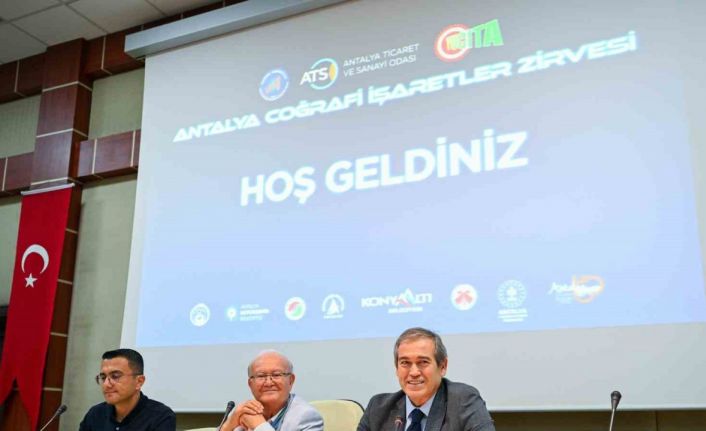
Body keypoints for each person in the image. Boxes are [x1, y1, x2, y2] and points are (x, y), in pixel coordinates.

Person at [358, 328, 495, 431]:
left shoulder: (463, 401)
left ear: (442, 366)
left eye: (423, 362)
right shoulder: (378, 409)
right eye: (405, 363)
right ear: (396, 368)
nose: (414, 372)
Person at [221, 350, 323, 431]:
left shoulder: (307, 417)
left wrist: (259, 425)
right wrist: (228, 426)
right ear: (250, 384)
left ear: (291, 380)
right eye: (261, 376)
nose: (269, 383)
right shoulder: (244, 411)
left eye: (276, 375)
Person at [79, 348, 176, 431]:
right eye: (103, 377)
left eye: (115, 376)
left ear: (139, 381)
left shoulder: (160, 417)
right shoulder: (95, 414)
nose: (106, 384)